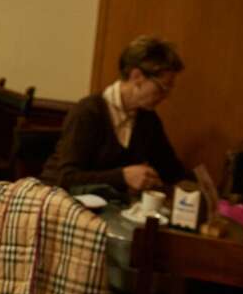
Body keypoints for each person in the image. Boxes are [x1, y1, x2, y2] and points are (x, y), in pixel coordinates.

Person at [41, 35, 186, 192]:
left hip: (103, 206)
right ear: (137, 77)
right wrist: (123, 177)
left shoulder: (147, 118)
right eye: (162, 88)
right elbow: (67, 178)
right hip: (58, 200)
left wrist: (200, 189)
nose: (165, 96)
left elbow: (171, 169)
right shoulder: (88, 112)